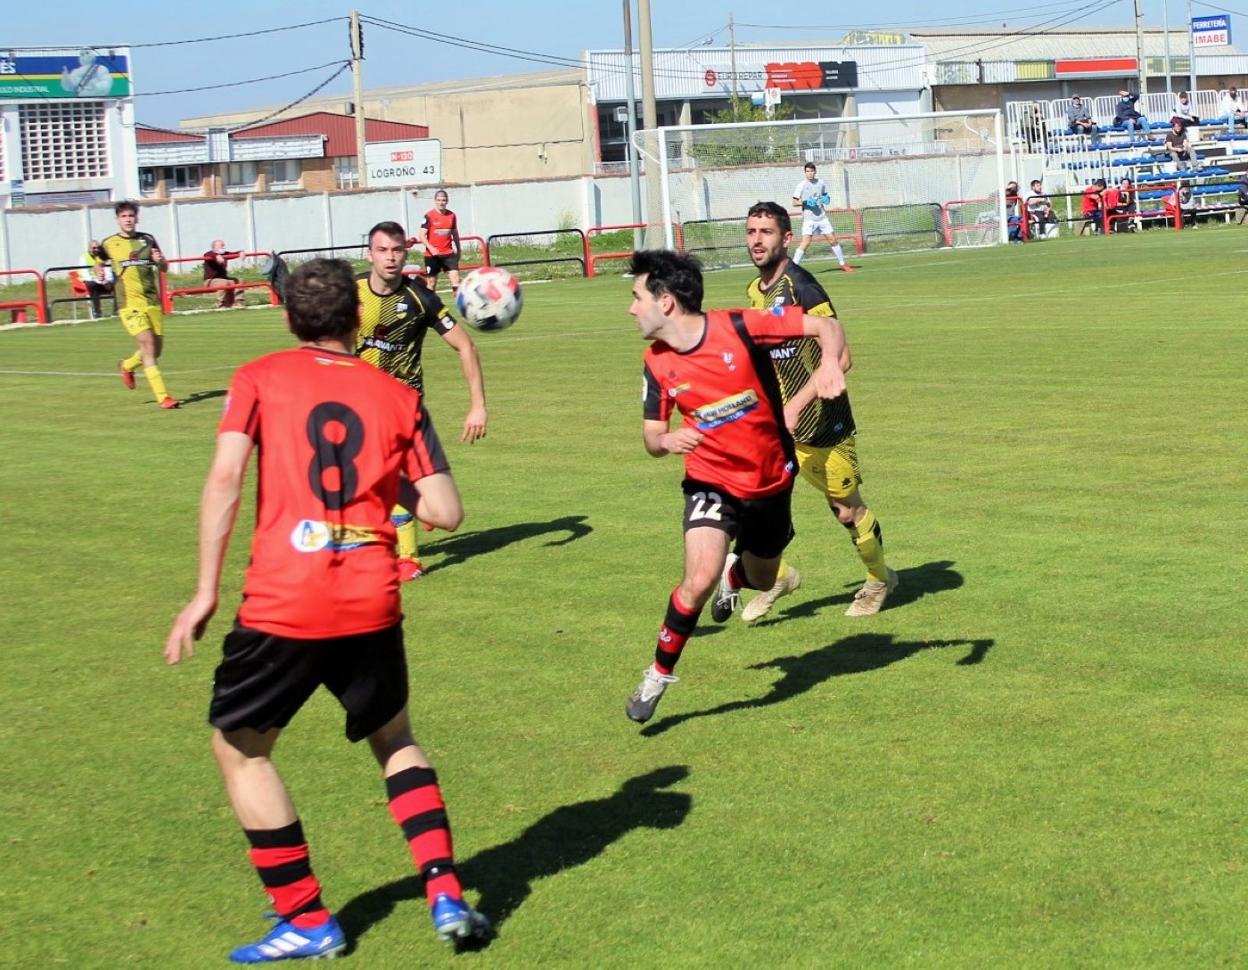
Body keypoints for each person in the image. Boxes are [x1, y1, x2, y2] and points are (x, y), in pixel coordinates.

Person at [164, 257, 490, 962]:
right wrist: (385, 483)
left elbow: (225, 479)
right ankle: (444, 893)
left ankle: (307, 918)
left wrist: (205, 591)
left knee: (241, 749)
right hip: (372, 597)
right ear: (355, 320)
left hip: (285, 600)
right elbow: (446, 512)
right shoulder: (394, 396)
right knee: (394, 738)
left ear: (289, 319)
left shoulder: (258, 378)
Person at [624, 249, 849, 724]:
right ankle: (658, 674)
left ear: (665, 301)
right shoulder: (655, 361)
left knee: (763, 577)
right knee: (696, 579)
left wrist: (829, 364)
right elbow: (650, 437)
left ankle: (737, 576)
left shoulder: (741, 327)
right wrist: (665, 440)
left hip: (770, 479)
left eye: (637, 296)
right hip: (710, 481)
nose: (631, 308)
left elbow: (825, 326)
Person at [732, 201, 896, 624]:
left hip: (824, 425)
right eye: (751, 231)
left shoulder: (804, 288)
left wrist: (795, 405)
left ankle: (879, 579)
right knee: (754, 506)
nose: (756, 240)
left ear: (786, 238)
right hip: (779, 427)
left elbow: (841, 358)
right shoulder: (756, 291)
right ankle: (778, 578)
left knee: (845, 509)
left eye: (765, 232)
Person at [357, 221, 487, 581]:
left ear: (405, 253)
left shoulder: (421, 298)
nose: (390, 258)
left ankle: (408, 557)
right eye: (382, 250)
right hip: (357, 404)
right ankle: (417, 504)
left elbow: (465, 346)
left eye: (397, 250)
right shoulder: (349, 292)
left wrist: (478, 405)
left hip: (403, 405)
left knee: (385, 476)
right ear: (370, 254)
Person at [101, 201, 179, 408]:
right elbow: (97, 259)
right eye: (124, 216)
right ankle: (164, 397)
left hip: (152, 303)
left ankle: (127, 366)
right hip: (129, 305)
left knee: (156, 350)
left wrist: (160, 260)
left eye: (131, 216)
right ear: (118, 219)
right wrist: (98, 270)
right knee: (147, 345)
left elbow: (163, 267)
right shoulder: (109, 243)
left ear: (137, 218)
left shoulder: (148, 240)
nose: (128, 219)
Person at [791, 163, 854, 272]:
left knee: (833, 239)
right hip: (809, 219)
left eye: (811, 171)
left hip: (822, 217)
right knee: (806, 241)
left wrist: (827, 199)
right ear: (805, 172)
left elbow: (825, 196)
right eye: (807, 171)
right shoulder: (801, 185)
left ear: (815, 172)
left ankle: (843, 264)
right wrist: (805, 202)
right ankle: (792, 267)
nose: (809, 173)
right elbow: (794, 202)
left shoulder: (821, 183)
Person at [411, 190, 463, 295]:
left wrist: (458, 249)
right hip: (432, 255)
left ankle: (460, 306)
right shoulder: (429, 216)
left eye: (443, 200)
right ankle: (430, 307)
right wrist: (431, 248)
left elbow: (455, 233)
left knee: (456, 279)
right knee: (431, 283)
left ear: (447, 201)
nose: (441, 203)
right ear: (435, 201)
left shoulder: (452, 216)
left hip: (448, 254)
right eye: (439, 200)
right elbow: (421, 235)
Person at [204, 240, 244, 308]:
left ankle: (237, 302)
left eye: (224, 245)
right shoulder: (209, 254)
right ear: (214, 247)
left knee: (239, 280)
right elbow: (208, 254)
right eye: (221, 246)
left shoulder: (224, 254)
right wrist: (216, 256)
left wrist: (241, 252)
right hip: (210, 280)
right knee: (224, 282)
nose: (224, 247)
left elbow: (234, 253)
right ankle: (221, 304)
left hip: (224, 278)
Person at [82, 239, 114, 319]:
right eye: (94, 248)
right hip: (92, 282)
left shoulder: (103, 256)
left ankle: (116, 311)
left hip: (104, 282)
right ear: (89, 249)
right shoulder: (84, 257)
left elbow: (109, 270)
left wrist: (108, 280)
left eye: (98, 247)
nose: (96, 249)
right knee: (93, 286)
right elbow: (84, 273)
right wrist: (99, 280)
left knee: (115, 285)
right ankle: (97, 312)